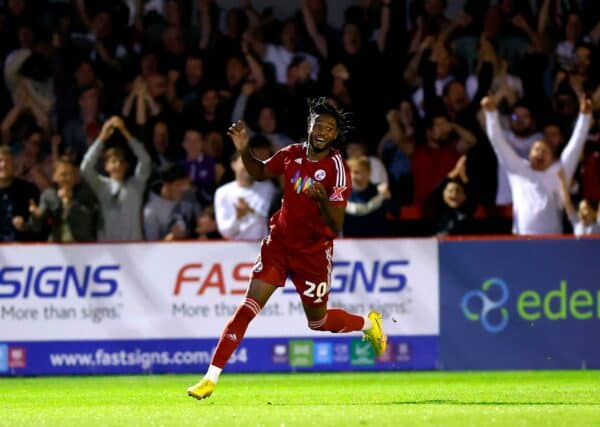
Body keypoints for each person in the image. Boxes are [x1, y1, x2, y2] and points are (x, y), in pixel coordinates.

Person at [187, 98, 387, 400]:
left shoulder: (337, 169)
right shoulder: (292, 154)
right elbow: (260, 172)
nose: (322, 131)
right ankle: (210, 378)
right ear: (309, 125)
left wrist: (320, 197)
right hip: (278, 244)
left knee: (317, 322)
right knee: (246, 308)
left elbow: (334, 225)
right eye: (318, 124)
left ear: (335, 136)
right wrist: (244, 150)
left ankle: (367, 324)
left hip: (313, 252)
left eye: (329, 128)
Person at [481, 95, 592, 235]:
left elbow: (576, 144)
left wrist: (585, 117)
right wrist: (491, 114)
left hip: (553, 242)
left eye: (545, 151)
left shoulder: (559, 170)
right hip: (521, 241)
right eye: (536, 150)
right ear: (529, 154)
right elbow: (498, 142)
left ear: (552, 158)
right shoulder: (518, 170)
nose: (540, 153)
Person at [80, 116, 151, 241]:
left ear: (126, 166)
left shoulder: (136, 184)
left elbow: (145, 160)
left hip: (134, 247)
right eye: (113, 161)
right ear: (106, 166)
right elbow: (85, 168)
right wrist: (101, 138)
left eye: (121, 162)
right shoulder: (102, 185)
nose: (117, 165)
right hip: (109, 248)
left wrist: (125, 132)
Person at [28, 156, 99, 242]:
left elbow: (86, 222)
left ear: (76, 177)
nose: (67, 178)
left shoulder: (85, 194)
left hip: (82, 246)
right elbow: (36, 228)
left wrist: (69, 204)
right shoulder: (49, 195)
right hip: (57, 248)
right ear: (54, 177)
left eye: (71, 174)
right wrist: (36, 216)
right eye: (63, 174)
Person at [213, 151, 276, 241]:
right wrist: (238, 217)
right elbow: (224, 231)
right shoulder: (222, 192)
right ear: (233, 165)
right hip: (235, 249)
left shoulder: (268, 188)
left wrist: (251, 211)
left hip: (263, 246)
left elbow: (273, 222)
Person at [0, 146, 40, 241]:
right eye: (0, 160)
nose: (3, 165)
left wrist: (26, 226)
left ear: (14, 164)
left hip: (21, 249)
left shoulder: (29, 190)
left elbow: (39, 226)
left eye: (8, 161)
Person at [558, 168, 600, 237]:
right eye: (580, 210)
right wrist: (562, 180)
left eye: (585, 209)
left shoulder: (598, 225)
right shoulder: (576, 223)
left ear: (594, 213)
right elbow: (567, 202)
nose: (581, 212)